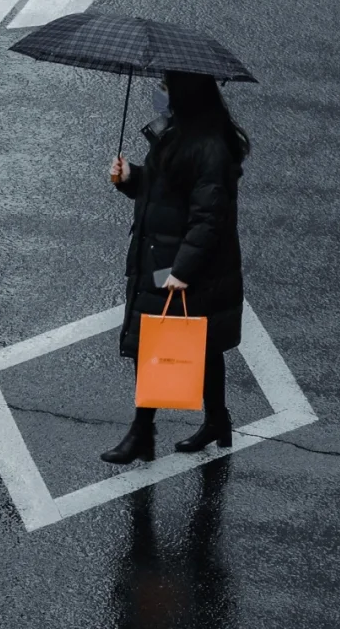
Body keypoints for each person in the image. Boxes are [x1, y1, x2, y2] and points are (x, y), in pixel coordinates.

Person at [101, 70, 249, 464]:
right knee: (202, 343)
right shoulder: (176, 134)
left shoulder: (210, 149)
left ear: (184, 94)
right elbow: (165, 191)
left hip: (185, 265)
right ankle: (217, 420)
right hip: (163, 255)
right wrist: (132, 177)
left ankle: (141, 433)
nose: (159, 94)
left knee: (153, 341)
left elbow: (209, 219)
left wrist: (182, 271)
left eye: (165, 87)